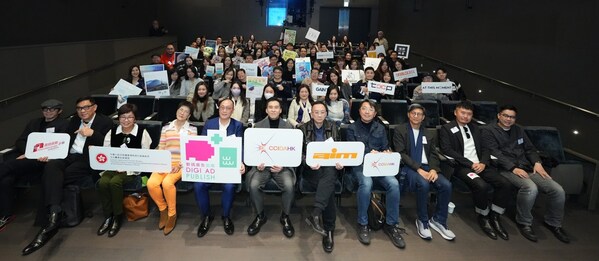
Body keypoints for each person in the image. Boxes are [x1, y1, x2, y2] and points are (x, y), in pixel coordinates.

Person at [22, 97, 113, 255]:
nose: (82, 111)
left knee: (52, 178)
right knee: (51, 166)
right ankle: (56, 214)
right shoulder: (73, 121)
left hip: (87, 159)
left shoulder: (105, 122)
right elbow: (62, 141)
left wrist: (93, 134)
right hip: (67, 155)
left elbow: (111, 145)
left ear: (95, 107)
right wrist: (46, 153)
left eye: (86, 107)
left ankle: (50, 220)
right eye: (79, 108)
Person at [481, 105, 570, 243]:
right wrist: (512, 168)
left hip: (527, 167)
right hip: (505, 168)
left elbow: (530, 149)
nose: (508, 119)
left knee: (558, 190)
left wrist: (537, 163)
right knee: (530, 188)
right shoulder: (488, 130)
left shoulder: (519, 130)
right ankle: (524, 222)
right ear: (499, 115)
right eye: (505, 115)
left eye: (512, 117)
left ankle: (554, 223)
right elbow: (494, 152)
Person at [439, 101, 511, 240]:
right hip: (463, 166)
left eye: (469, 114)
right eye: (463, 113)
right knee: (481, 185)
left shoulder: (477, 128)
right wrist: (471, 164)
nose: (465, 116)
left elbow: (486, 148)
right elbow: (447, 150)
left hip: (481, 165)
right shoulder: (447, 128)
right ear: (456, 112)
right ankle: (483, 215)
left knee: (505, 183)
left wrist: (483, 162)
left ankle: (495, 215)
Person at [0, 99, 68, 232]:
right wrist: (28, 151)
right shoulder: (34, 123)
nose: (48, 112)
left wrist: (33, 153)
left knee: (8, 166)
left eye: (52, 109)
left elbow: (60, 146)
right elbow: (20, 140)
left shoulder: (64, 124)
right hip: (29, 157)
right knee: (5, 179)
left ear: (59, 111)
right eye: (45, 109)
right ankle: (6, 214)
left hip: (45, 161)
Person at [346, 100, 405, 248]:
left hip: (379, 165)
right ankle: (363, 223)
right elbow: (352, 152)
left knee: (393, 183)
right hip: (361, 165)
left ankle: (391, 224)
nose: (367, 112)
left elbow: (385, 147)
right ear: (359, 111)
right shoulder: (351, 128)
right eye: (364, 109)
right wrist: (368, 154)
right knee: (366, 183)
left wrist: (386, 152)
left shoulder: (380, 128)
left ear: (375, 112)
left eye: (370, 109)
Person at [393, 104, 455, 241]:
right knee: (424, 184)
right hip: (409, 167)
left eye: (419, 114)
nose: (416, 116)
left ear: (423, 117)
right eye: (413, 113)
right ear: (409, 114)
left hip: (428, 167)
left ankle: (439, 220)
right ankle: (423, 221)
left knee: (446, 185)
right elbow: (401, 154)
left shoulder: (428, 133)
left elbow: (433, 154)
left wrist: (433, 169)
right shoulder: (400, 130)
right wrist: (418, 169)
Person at [96, 104, 152, 238]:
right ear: (118, 118)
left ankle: (117, 216)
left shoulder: (142, 132)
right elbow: (106, 151)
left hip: (133, 170)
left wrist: (130, 165)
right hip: (114, 166)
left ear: (135, 119)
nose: (126, 120)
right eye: (123, 117)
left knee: (115, 182)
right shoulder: (112, 132)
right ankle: (108, 216)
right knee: (103, 182)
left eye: (129, 117)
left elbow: (146, 156)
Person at [195, 98, 245, 237]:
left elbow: (240, 146)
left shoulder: (238, 125)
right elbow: (203, 145)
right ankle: (206, 216)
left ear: (232, 110)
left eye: (228, 108)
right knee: (199, 185)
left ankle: (226, 216)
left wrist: (241, 162)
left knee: (229, 186)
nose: (224, 110)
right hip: (211, 164)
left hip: (228, 164)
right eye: (222, 107)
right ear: (218, 108)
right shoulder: (210, 123)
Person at [246, 97, 296, 238]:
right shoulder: (258, 126)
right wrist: (257, 163)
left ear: (280, 110)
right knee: (254, 184)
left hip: (282, 167)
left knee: (289, 185)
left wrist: (283, 165)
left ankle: (285, 216)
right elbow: (252, 149)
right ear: (266, 109)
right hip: (263, 167)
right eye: (270, 107)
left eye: (276, 107)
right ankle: (260, 215)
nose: (273, 109)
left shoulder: (288, 127)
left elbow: (292, 150)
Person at [147, 101, 197, 236]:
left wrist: (179, 164)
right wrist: (160, 163)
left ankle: (172, 214)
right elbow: (161, 146)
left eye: (186, 112)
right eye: (181, 110)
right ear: (177, 111)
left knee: (167, 183)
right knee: (151, 183)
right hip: (164, 162)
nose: (182, 113)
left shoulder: (192, 129)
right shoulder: (166, 127)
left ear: (189, 115)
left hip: (181, 164)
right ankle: (163, 209)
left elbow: (192, 151)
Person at [299, 101, 342, 253]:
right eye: (316, 112)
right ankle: (328, 228)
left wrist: (340, 162)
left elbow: (340, 150)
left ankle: (317, 214)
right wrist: (308, 162)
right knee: (328, 186)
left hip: (329, 167)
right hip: (311, 170)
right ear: (311, 113)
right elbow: (298, 153)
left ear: (326, 113)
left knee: (329, 173)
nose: (319, 115)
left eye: (322, 112)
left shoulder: (334, 127)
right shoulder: (302, 128)